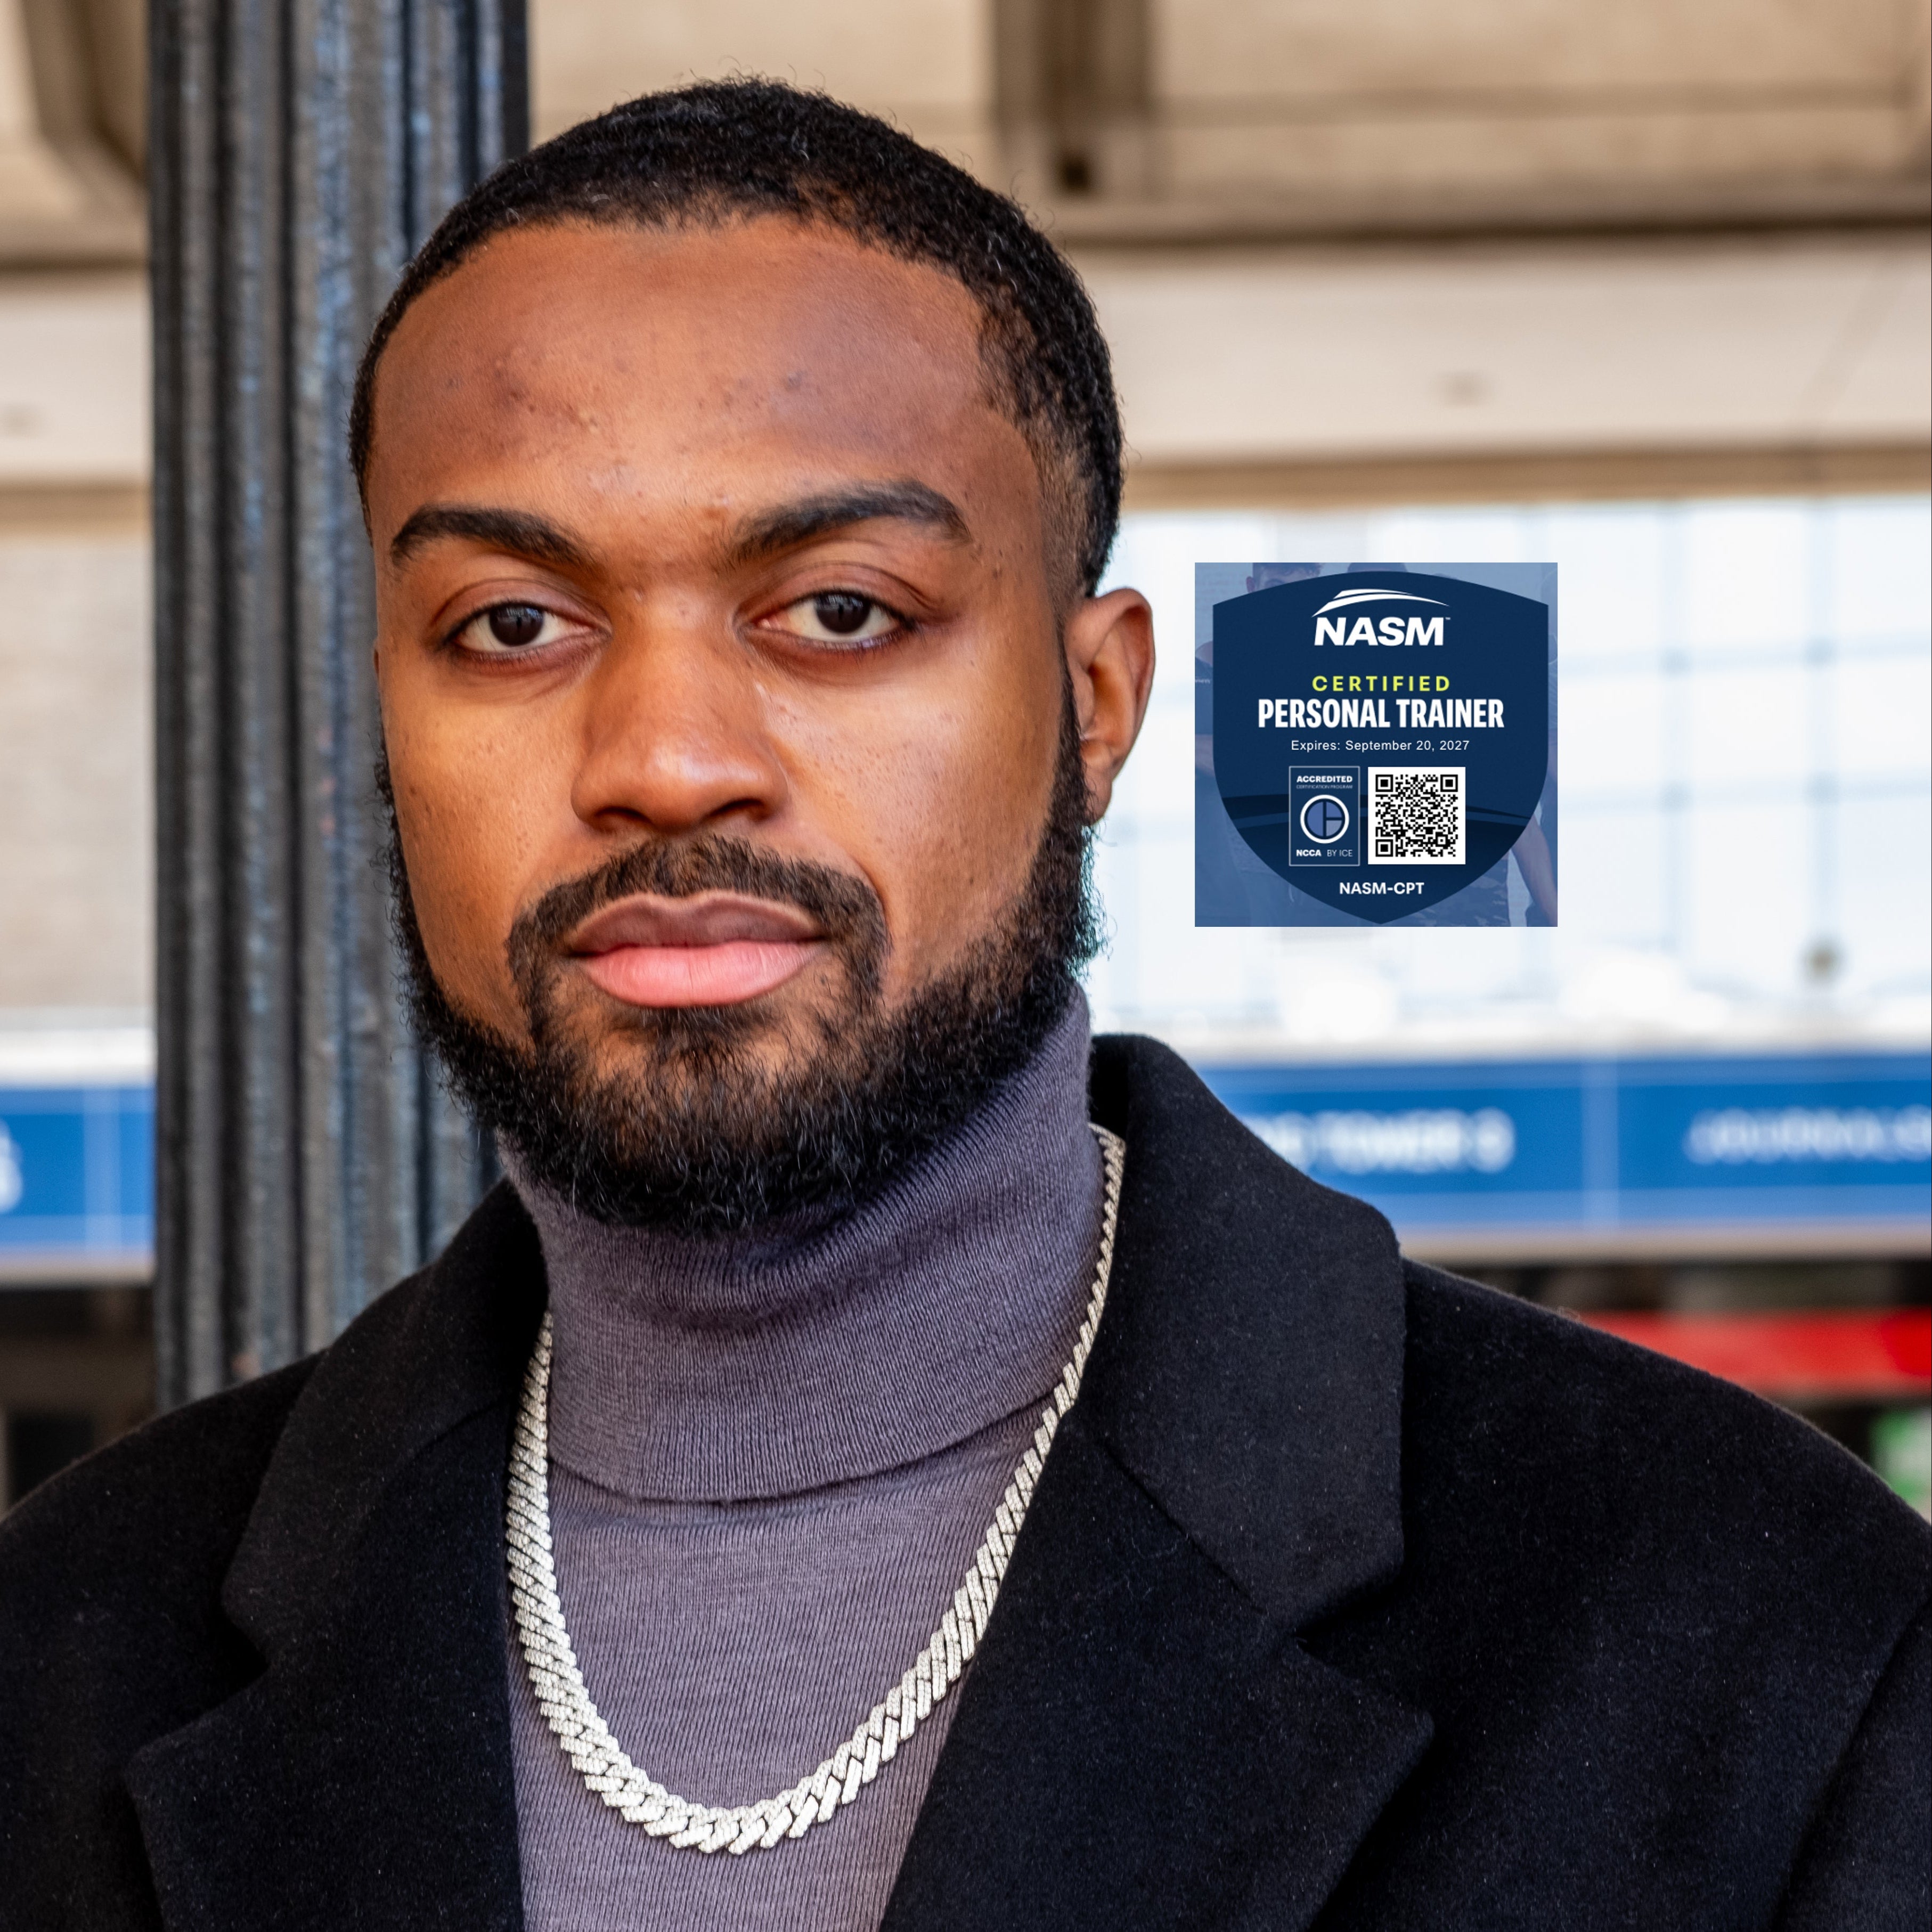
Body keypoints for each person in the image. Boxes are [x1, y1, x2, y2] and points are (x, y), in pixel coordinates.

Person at [2, 81, 1925, 1932]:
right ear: (387, 726)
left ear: (1094, 706)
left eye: (839, 610)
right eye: (513, 623)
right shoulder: (65, 1651)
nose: (666, 760)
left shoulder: (1752, 1633)